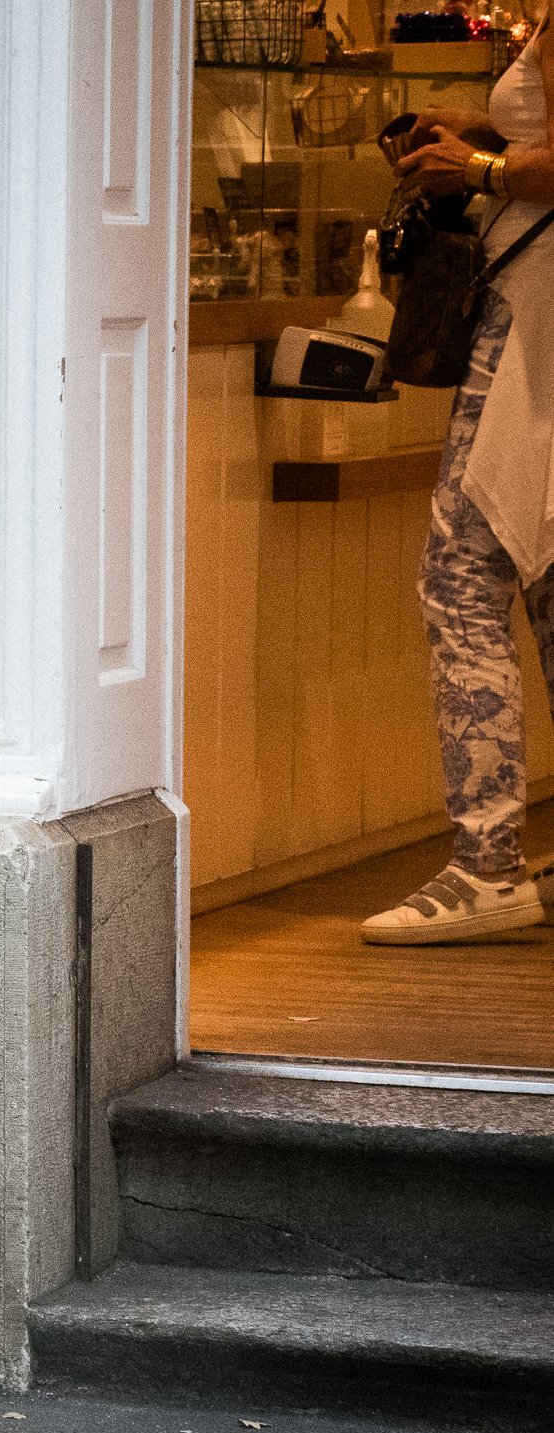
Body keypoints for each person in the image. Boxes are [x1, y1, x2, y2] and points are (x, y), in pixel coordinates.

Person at [365, 20, 554, 944]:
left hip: (535, 320)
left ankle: (486, 861)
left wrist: (474, 169)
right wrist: (483, 136)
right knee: (545, 576)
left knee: (460, 576)